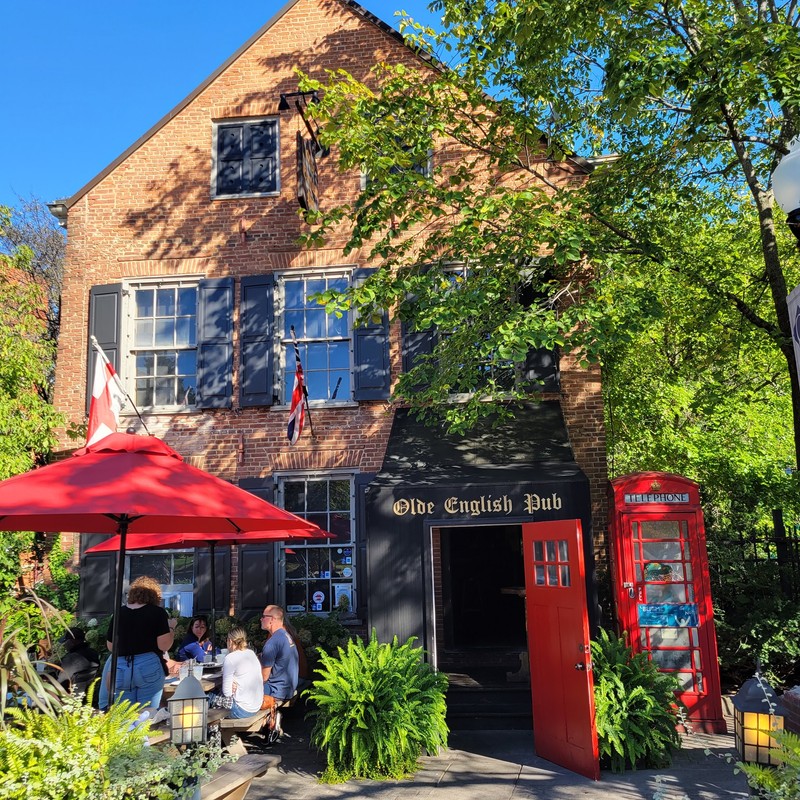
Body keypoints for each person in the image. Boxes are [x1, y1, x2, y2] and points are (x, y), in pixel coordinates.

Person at [98, 575, 176, 710]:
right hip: (148, 664)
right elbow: (163, 646)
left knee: (124, 716)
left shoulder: (119, 613)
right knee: (146, 714)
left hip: (121, 666)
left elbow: (111, 647)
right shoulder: (157, 613)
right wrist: (171, 628)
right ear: (155, 595)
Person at [208, 627, 263, 719]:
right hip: (255, 707)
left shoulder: (230, 658)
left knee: (206, 698)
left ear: (230, 641)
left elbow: (227, 693)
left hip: (240, 709)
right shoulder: (251, 653)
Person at [260, 604, 299, 703]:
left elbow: (264, 677)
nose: (261, 619)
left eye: (264, 616)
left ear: (272, 620)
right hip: (288, 688)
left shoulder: (272, 642)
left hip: (276, 691)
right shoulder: (286, 635)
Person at [54, 628, 101, 696]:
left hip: (69, 696)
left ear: (73, 641)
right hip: (87, 694)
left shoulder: (72, 658)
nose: (64, 644)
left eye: (66, 641)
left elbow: (61, 683)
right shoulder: (93, 653)